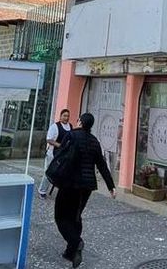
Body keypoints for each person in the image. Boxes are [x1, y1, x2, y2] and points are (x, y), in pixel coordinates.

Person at [54, 112, 115, 267]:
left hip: (69, 183)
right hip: (87, 186)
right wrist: (111, 186)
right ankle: (70, 252)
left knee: (60, 216)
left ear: (80, 122)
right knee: (76, 216)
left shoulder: (71, 135)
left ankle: (76, 242)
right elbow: (102, 165)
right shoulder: (94, 141)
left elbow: (60, 154)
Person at [40, 108, 73, 198]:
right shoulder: (54, 126)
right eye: (64, 116)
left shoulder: (70, 126)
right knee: (49, 172)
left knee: (63, 173)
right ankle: (42, 191)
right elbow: (49, 139)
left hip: (64, 155)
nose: (66, 118)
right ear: (60, 116)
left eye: (68, 116)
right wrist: (60, 145)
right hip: (52, 153)